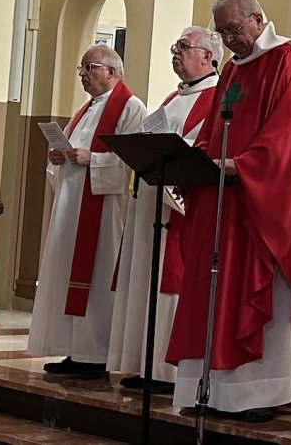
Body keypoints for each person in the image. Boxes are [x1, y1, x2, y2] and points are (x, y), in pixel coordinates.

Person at [165, 0, 291, 422]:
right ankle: (213, 391)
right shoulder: (233, 71)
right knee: (215, 294)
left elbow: (288, 141)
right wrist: (195, 157)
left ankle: (257, 394)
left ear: (257, 19)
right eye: (221, 31)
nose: (227, 40)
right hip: (222, 203)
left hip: (260, 209)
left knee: (253, 294)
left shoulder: (287, 63)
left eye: (232, 29)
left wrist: (244, 166)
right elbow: (213, 127)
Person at [106, 26, 222, 392]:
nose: (176, 52)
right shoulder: (174, 97)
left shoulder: (216, 98)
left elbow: (199, 148)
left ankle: (167, 371)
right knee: (144, 282)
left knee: (169, 283)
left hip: (178, 208)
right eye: (175, 46)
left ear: (208, 56)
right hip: (150, 203)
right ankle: (143, 363)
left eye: (184, 47)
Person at [28, 45, 146, 377]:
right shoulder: (85, 109)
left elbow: (133, 160)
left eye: (89, 67)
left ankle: (97, 354)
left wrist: (93, 159)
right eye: (81, 68)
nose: (82, 74)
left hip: (104, 212)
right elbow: (71, 153)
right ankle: (76, 349)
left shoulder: (130, 108)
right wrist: (58, 157)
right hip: (71, 208)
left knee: (97, 278)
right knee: (69, 275)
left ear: (111, 71)